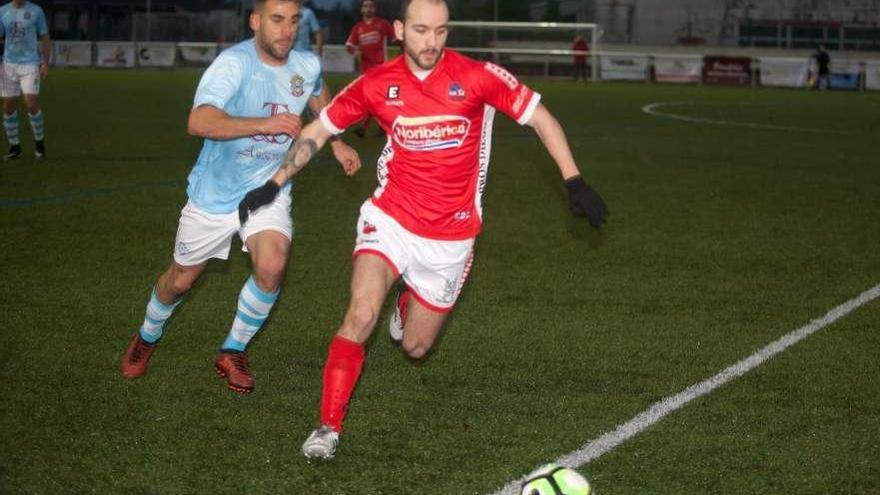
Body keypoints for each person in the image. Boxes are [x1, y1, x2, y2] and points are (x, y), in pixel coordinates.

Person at [238, 0, 608, 458]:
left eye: (439, 31)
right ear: (399, 30)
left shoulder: (476, 76)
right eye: (420, 30)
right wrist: (274, 184)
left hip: (451, 236)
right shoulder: (377, 84)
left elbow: (541, 117)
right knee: (361, 314)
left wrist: (574, 180)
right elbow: (319, 130)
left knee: (415, 347)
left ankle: (409, 295)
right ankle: (327, 428)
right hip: (390, 218)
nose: (430, 41)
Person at [119, 0, 362, 395]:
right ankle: (147, 335)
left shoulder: (306, 65)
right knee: (180, 281)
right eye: (277, 20)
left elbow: (319, 96)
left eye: (293, 21)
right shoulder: (233, 65)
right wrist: (264, 124)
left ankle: (232, 350)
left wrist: (335, 143)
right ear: (255, 21)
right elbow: (198, 122)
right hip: (215, 193)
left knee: (272, 265)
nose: (287, 30)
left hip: (268, 187)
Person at [0, 0, 50, 160]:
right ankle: (15, 147)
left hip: (30, 63)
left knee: (31, 103)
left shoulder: (36, 10)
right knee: (8, 106)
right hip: (8, 64)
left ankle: (40, 144)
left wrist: (45, 63)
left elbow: (45, 36)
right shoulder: (3, 11)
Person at [344, 0, 394, 137]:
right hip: (366, 70)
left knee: (375, 97)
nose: (368, 8)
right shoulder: (358, 28)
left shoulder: (382, 24)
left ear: (375, 8)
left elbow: (396, 39)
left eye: (371, 6)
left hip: (381, 67)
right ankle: (383, 125)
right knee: (375, 99)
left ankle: (365, 127)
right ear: (361, 9)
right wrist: (355, 52)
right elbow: (349, 45)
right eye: (365, 6)